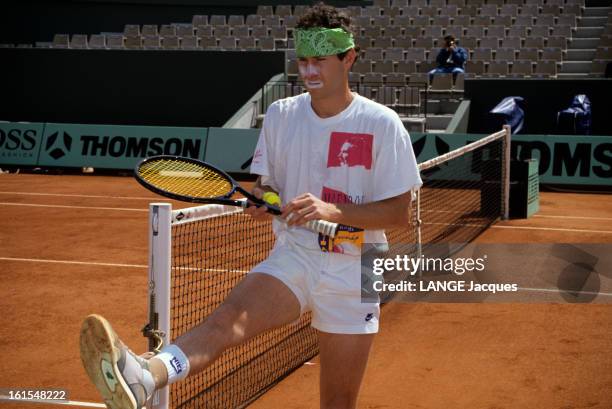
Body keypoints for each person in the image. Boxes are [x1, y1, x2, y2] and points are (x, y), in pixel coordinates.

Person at [79, 3, 422, 409]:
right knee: (229, 319)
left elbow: (399, 212)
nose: (310, 71)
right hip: (296, 252)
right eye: (304, 61)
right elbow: (267, 185)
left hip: (359, 265)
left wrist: (333, 211)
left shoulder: (381, 123)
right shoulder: (282, 114)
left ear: (349, 58)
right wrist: (267, 199)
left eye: (321, 61)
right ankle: (145, 377)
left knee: (338, 401)